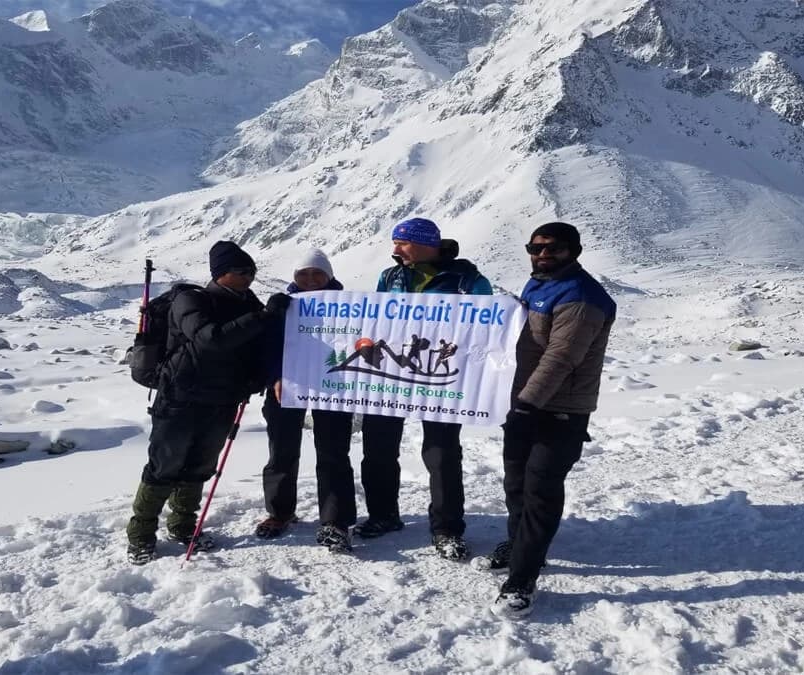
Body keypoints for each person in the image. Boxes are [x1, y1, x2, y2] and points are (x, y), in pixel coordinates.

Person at [475, 222, 616, 617]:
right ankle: (519, 545)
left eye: (553, 248)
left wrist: (526, 404)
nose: (542, 254)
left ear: (575, 250)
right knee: (516, 483)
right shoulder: (538, 284)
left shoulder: (582, 297)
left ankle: (523, 578)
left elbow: (560, 358)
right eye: (535, 248)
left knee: (539, 490)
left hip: (560, 410)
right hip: (523, 404)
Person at [126, 240, 290, 565]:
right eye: (241, 272)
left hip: (223, 399)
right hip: (180, 398)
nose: (248, 278)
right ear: (220, 274)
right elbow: (210, 339)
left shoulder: (247, 302)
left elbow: (255, 345)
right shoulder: (191, 299)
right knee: (163, 467)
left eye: (252, 271)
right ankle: (141, 536)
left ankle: (184, 527)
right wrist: (264, 316)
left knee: (200, 467)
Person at [357, 217, 492, 561]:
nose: (395, 250)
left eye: (401, 243)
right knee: (378, 446)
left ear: (423, 243)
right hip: (392, 374)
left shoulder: (467, 280)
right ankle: (383, 515)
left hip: (440, 377)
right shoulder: (391, 277)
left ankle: (447, 528)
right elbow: (379, 317)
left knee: (442, 452)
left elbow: (488, 325)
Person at [257, 249, 358, 553]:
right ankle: (279, 512)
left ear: (330, 276)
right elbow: (267, 346)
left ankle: (335, 521)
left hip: (334, 386)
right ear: (294, 277)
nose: (311, 279)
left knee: (333, 453)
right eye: (303, 274)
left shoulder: (351, 306)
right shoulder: (284, 305)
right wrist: (274, 377)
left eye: (318, 273)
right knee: (281, 451)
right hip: (287, 386)